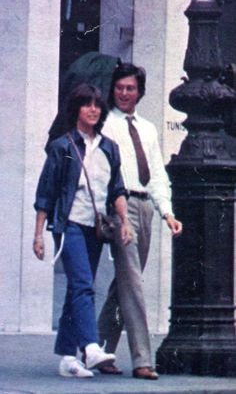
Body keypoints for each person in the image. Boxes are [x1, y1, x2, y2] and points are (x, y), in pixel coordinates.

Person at [33, 83, 132, 378]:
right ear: (76, 108)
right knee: (83, 285)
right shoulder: (63, 147)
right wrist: (39, 235)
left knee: (77, 289)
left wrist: (125, 221)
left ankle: (67, 357)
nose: (93, 109)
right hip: (70, 224)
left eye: (97, 105)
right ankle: (89, 347)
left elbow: (116, 189)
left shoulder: (108, 148)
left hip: (96, 228)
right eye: (86, 104)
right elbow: (46, 194)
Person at [97, 63, 183, 379]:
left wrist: (167, 213)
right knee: (132, 282)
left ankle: (97, 350)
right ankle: (142, 359)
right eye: (119, 87)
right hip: (120, 206)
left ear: (139, 92)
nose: (124, 93)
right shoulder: (105, 124)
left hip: (146, 206)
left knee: (124, 283)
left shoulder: (148, 129)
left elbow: (157, 174)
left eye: (130, 88)